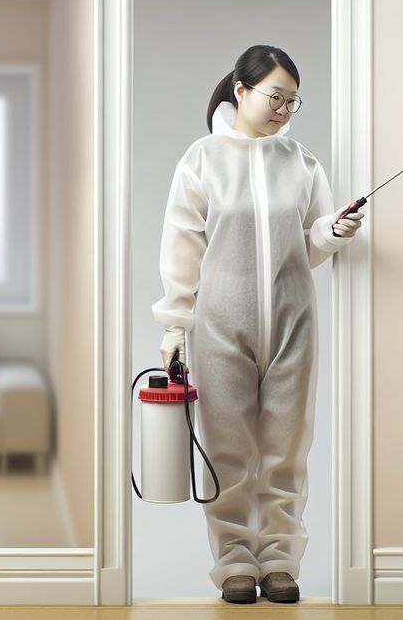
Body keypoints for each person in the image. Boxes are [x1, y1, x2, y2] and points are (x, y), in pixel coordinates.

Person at [151, 44, 364, 604]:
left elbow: (311, 242)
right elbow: (182, 246)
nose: (284, 110)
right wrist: (175, 326)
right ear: (241, 92)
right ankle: (235, 561)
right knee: (227, 447)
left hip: (294, 320)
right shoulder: (201, 159)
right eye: (276, 97)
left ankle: (280, 561)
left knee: (287, 448)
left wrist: (333, 232)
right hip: (219, 323)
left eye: (293, 102)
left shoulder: (301, 161)